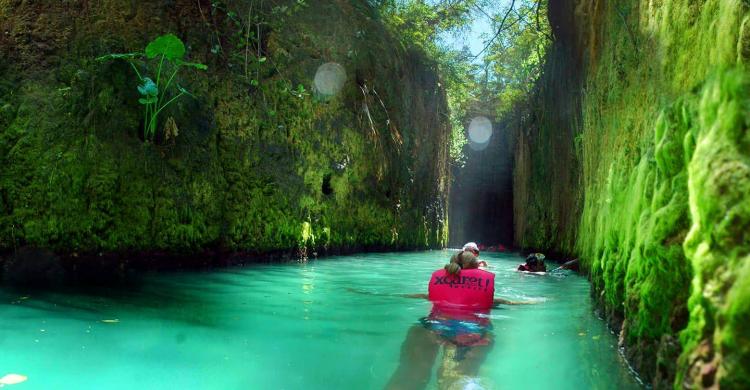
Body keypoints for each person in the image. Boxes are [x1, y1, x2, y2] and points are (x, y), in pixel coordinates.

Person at [386, 251, 527, 389]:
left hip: (431, 328)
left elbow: (410, 296)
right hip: (473, 335)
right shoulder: (493, 301)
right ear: (477, 271)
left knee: (409, 376)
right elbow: (514, 303)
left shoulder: (429, 294)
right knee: (458, 379)